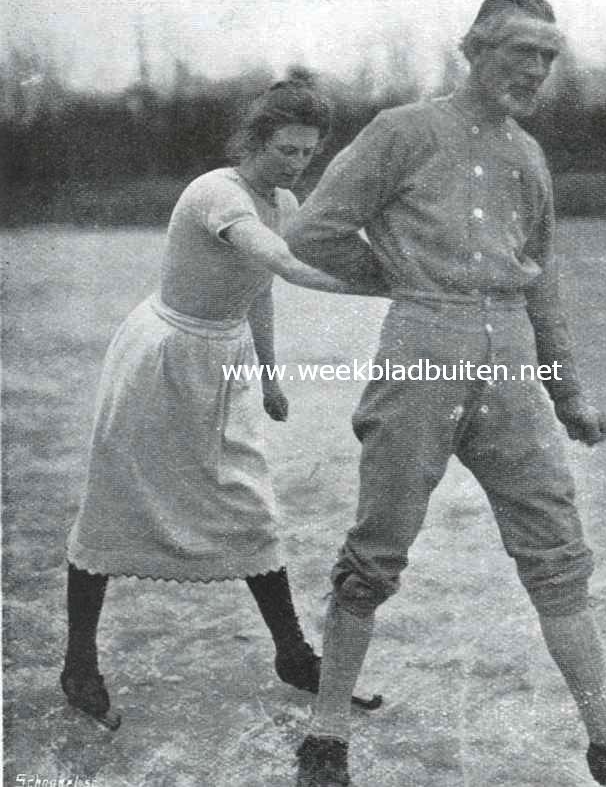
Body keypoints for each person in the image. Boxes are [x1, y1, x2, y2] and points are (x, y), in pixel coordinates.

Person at [285, 0, 606, 787]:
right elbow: (312, 232)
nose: (537, 68)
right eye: (522, 52)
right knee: (378, 546)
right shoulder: (402, 130)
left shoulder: (528, 156)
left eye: (548, 54)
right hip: (421, 355)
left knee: (556, 544)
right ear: (475, 50)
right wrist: (408, 285)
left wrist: (566, 391)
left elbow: (539, 282)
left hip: (509, 361)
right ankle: (327, 732)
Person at [61, 79, 385, 731]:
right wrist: (398, 284)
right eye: (286, 149)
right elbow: (281, 260)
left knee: (249, 505)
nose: (296, 163)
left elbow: (260, 287)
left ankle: (292, 654)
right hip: (162, 356)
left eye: (307, 152)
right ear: (255, 140)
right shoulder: (216, 192)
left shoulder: (285, 200)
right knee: (113, 504)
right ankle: (78, 664)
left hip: (223, 359)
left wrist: (269, 375)